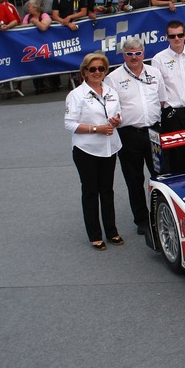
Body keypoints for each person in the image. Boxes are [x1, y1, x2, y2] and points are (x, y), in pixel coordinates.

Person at [105, 39, 165, 237]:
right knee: (134, 179)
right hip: (129, 134)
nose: (134, 57)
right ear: (124, 55)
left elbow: (162, 99)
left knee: (161, 176)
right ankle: (142, 219)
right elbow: (109, 108)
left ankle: (163, 214)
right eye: (129, 54)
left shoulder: (154, 73)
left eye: (137, 53)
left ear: (143, 53)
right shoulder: (113, 78)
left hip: (154, 132)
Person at [65, 53, 123, 251]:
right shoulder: (76, 95)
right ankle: (95, 235)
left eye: (101, 69)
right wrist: (96, 129)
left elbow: (118, 114)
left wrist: (117, 121)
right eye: (92, 69)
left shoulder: (111, 91)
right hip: (86, 149)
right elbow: (69, 123)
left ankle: (112, 231)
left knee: (107, 190)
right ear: (84, 72)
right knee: (90, 191)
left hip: (109, 147)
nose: (97, 72)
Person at [152, 20, 185, 176]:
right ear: (166, 37)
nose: (177, 39)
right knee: (175, 158)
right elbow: (156, 89)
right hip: (172, 114)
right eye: (172, 36)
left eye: (180, 35)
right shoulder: (158, 59)